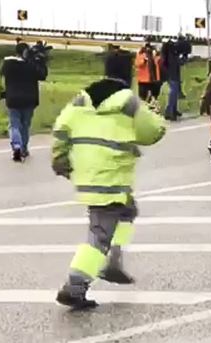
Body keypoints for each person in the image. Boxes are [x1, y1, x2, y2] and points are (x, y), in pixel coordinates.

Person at [52, 50, 166, 309]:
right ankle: (75, 286)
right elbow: (152, 132)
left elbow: (60, 129)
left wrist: (60, 161)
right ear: (129, 73)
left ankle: (113, 260)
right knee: (99, 234)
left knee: (128, 210)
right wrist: (154, 115)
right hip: (111, 178)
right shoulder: (128, 101)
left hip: (88, 175)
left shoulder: (82, 98)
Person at [0, 42, 48, 162]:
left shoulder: (8, 64)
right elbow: (42, 75)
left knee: (14, 125)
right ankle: (24, 149)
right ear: (26, 52)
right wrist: (40, 60)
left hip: (13, 99)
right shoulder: (31, 65)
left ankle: (16, 145)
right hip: (29, 99)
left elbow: (4, 71)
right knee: (25, 126)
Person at [161, 40, 182, 121]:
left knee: (174, 92)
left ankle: (172, 110)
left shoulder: (167, 54)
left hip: (171, 74)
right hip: (173, 75)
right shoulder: (172, 55)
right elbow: (176, 63)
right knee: (173, 93)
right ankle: (170, 111)